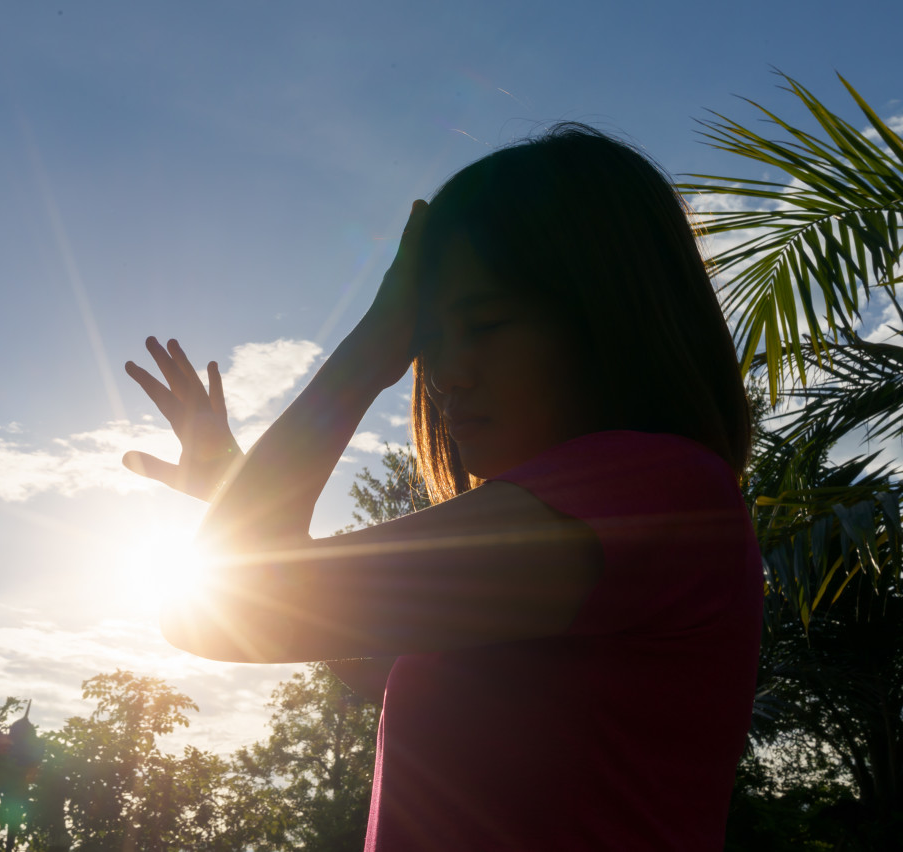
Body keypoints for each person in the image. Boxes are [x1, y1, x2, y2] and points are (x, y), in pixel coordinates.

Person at [122, 124, 762, 851]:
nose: (446, 372)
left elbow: (220, 614)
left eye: (484, 324)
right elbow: (386, 668)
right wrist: (234, 496)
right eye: (429, 340)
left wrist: (372, 345)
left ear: (607, 315)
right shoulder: (633, 507)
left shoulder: (652, 492)